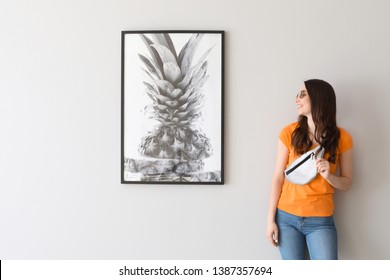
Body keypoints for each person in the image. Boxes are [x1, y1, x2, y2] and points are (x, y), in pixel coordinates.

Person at [266, 79, 353, 260]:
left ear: (319, 98)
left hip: (321, 221)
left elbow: (347, 182)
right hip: (286, 219)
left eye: (303, 94)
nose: (297, 99)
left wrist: (330, 176)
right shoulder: (289, 133)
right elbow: (277, 178)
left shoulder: (342, 138)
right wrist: (270, 220)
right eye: (298, 94)